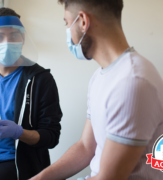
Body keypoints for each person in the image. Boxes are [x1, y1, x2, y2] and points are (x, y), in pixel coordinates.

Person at [30, 0, 163, 180]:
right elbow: (86, 147)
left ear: (83, 21)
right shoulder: (100, 76)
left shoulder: (132, 82)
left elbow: (109, 177)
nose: (68, 31)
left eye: (67, 23)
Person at [0, 8, 62, 180]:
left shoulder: (40, 80)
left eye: (13, 35)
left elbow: (52, 136)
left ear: (23, 38)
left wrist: (19, 133)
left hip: (16, 160)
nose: (7, 42)